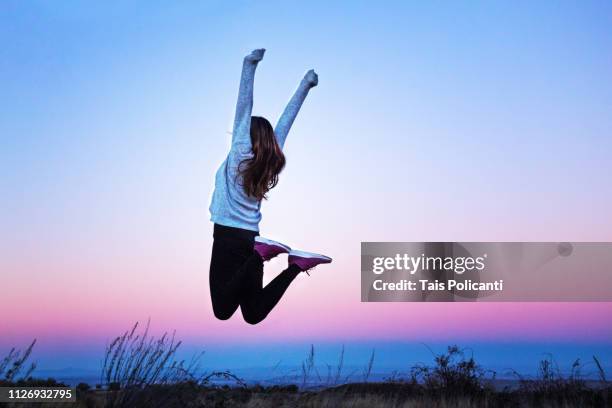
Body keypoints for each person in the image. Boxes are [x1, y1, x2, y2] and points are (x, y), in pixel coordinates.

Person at [209, 49, 332, 325]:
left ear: (245, 135)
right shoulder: (269, 162)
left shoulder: (240, 153)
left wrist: (248, 65)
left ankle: (258, 256)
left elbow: (244, 107)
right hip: (251, 237)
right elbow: (286, 121)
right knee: (253, 314)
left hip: (229, 239)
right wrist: (306, 85)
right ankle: (295, 265)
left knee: (222, 310)